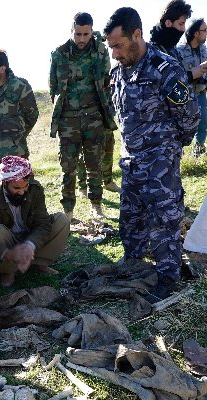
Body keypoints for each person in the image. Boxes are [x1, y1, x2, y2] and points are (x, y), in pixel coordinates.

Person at [104, 7, 199, 302]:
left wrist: (168, 148)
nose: (115, 54)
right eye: (110, 48)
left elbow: (190, 116)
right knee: (130, 217)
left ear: (136, 35)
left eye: (118, 46)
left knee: (164, 219)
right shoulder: (117, 72)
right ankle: (133, 262)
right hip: (131, 159)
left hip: (160, 161)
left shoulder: (165, 69)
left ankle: (168, 274)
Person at [49, 12, 117, 222]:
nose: (81, 39)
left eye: (85, 34)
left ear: (91, 31)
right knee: (68, 167)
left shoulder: (100, 51)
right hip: (68, 119)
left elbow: (106, 82)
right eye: (78, 34)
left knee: (94, 165)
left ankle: (96, 206)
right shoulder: (59, 54)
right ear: (72, 31)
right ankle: (68, 210)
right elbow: (53, 87)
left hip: (94, 117)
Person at [0, 156, 70, 287]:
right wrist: (6, 253)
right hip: (7, 241)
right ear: (5, 184)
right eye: (16, 188)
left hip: (29, 236)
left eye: (25, 187)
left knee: (61, 220)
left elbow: (43, 223)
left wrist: (30, 245)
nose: (22, 192)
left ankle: (38, 264)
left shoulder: (35, 191)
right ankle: (7, 271)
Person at [0, 48, 39, 173]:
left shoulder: (20, 86)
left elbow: (32, 115)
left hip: (16, 151)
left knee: (21, 188)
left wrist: (17, 134)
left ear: (2, 69)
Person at [177, 18, 207, 157]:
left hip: (200, 93)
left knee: (203, 123)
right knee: (181, 127)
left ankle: (198, 153)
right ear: (195, 33)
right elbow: (175, 76)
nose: (206, 33)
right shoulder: (179, 51)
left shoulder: (204, 50)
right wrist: (194, 72)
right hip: (184, 96)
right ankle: (178, 155)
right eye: (204, 30)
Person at [76, 131, 121, 198]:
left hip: (106, 124)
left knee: (108, 150)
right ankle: (83, 187)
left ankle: (108, 182)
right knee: (85, 155)